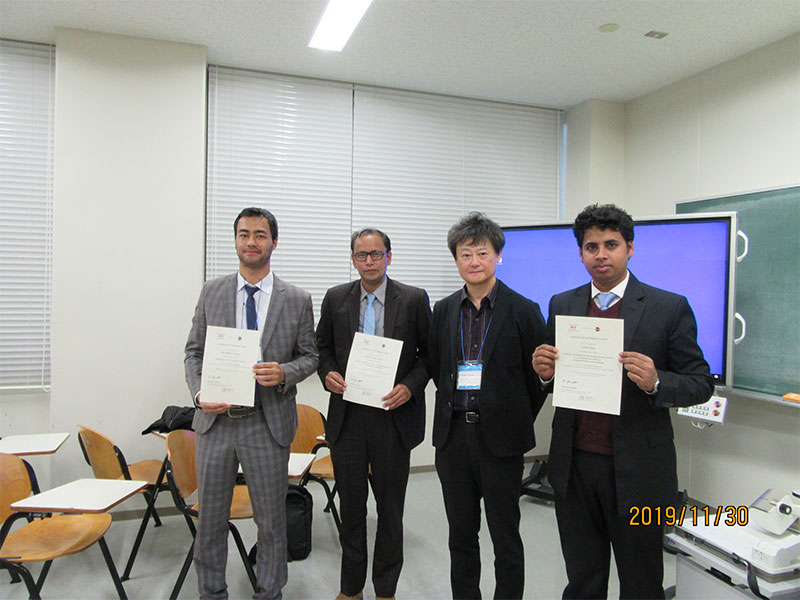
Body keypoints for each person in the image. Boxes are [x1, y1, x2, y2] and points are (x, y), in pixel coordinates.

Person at [532, 203, 714, 599]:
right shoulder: (562, 304)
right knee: (583, 578)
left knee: (641, 581)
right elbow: (554, 376)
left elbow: (700, 383)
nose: (601, 255)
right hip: (574, 465)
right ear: (581, 253)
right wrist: (544, 373)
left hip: (639, 471)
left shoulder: (668, 307)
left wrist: (656, 381)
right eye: (591, 247)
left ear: (630, 248)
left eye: (611, 245)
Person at [184, 206, 318, 600]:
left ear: (274, 242)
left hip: (266, 422)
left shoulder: (297, 299)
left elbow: (310, 356)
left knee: (271, 522)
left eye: (260, 235)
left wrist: (285, 372)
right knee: (210, 521)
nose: (251, 242)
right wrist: (199, 394)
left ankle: (269, 592)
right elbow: (193, 352)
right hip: (216, 424)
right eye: (244, 234)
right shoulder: (212, 291)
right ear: (236, 240)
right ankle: (211, 593)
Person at [427, 212, 547, 600]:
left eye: (482, 253)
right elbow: (437, 366)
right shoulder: (444, 310)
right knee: (461, 536)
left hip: (501, 442)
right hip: (453, 439)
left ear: (498, 255)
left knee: (505, 538)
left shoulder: (524, 309)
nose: (474, 261)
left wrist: (510, 416)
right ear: (456, 260)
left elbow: (537, 378)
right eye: (466, 254)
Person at [316, 228, 431, 600]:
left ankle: (385, 590)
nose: (369, 261)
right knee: (351, 511)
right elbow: (321, 348)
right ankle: (351, 589)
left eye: (376, 254)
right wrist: (327, 373)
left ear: (388, 257)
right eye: (362, 255)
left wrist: (409, 387)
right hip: (348, 419)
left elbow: (429, 355)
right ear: (353, 259)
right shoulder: (336, 298)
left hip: (392, 418)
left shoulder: (413, 299)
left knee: (390, 513)